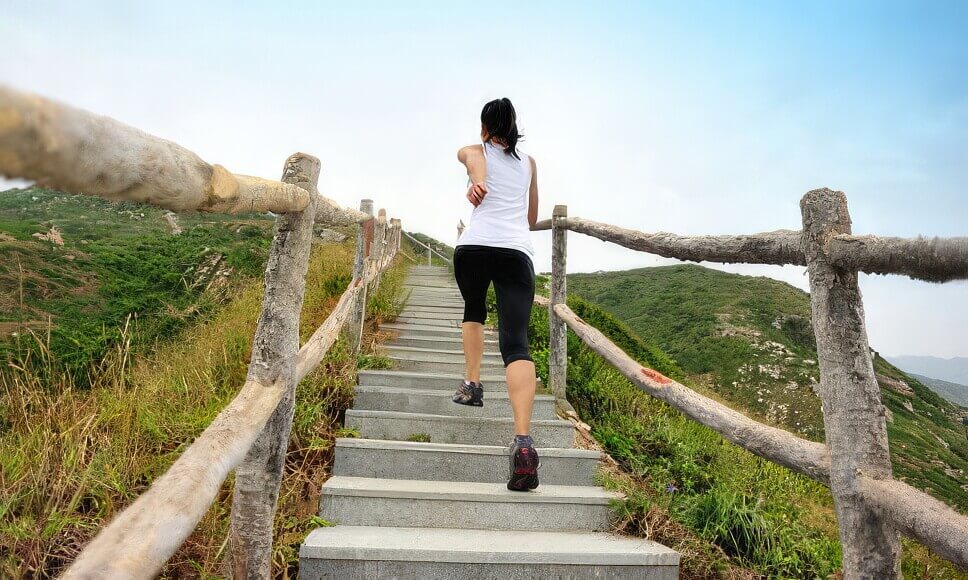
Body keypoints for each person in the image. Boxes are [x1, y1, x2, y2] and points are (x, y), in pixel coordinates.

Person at [452, 98, 540, 491]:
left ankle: (472, 385)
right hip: (515, 252)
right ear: (515, 125)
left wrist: (477, 184)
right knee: (516, 344)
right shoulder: (530, 164)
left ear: (485, 127)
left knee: (474, 310)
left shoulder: (475, 149)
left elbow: (474, 161)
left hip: (474, 247)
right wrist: (479, 181)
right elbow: (531, 219)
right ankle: (523, 444)